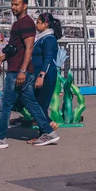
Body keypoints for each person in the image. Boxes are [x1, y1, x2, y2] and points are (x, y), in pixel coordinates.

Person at [0, 0, 59, 149]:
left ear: (24, 5)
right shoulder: (20, 23)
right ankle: (48, 131)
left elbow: (29, 47)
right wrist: (4, 57)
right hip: (19, 69)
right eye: (12, 4)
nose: (13, 7)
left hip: (18, 71)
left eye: (16, 4)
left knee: (5, 104)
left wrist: (22, 70)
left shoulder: (25, 23)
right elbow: (18, 48)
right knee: (31, 104)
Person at [26, 13, 63, 144]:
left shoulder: (49, 39)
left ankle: (48, 129)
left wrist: (42, 75)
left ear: (45, 24)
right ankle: (44, 131)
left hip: (46, 76)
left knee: (40, 105)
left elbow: (48, 59)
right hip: (37, 75)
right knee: (37, 104)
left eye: (38, 22)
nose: (36, 25)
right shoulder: (41, 38)